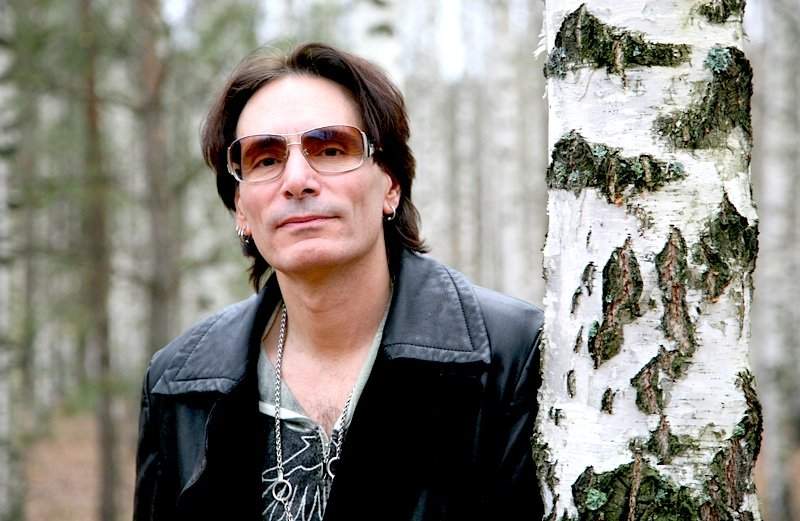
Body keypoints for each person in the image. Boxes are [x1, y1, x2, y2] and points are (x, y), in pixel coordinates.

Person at [133, 42, 543, 521]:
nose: (297, 180)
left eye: (330, 150)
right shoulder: (178, 384)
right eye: (265, 160)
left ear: (390, 184)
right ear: (241, 208)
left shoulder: (511, 357)